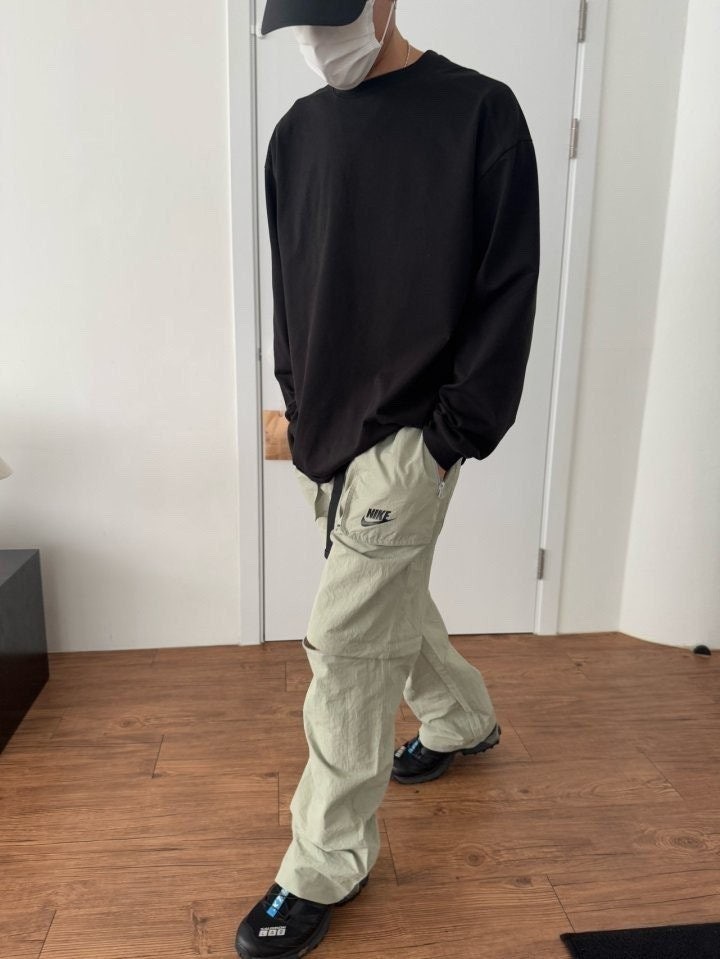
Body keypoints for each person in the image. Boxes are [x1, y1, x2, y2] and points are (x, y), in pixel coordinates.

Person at [235, 1, 540, 956]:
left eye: (331, 15)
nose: (316, 40)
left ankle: (322, 862)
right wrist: (297, 405)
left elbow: (505, 293)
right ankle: (462, 719)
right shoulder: (296, 135)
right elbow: (292, 287)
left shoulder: (480, 114)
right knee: (385, 603)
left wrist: (448, 439)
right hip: (322, 434)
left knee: (343, 642)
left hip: (414, 441)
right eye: (299, 24)